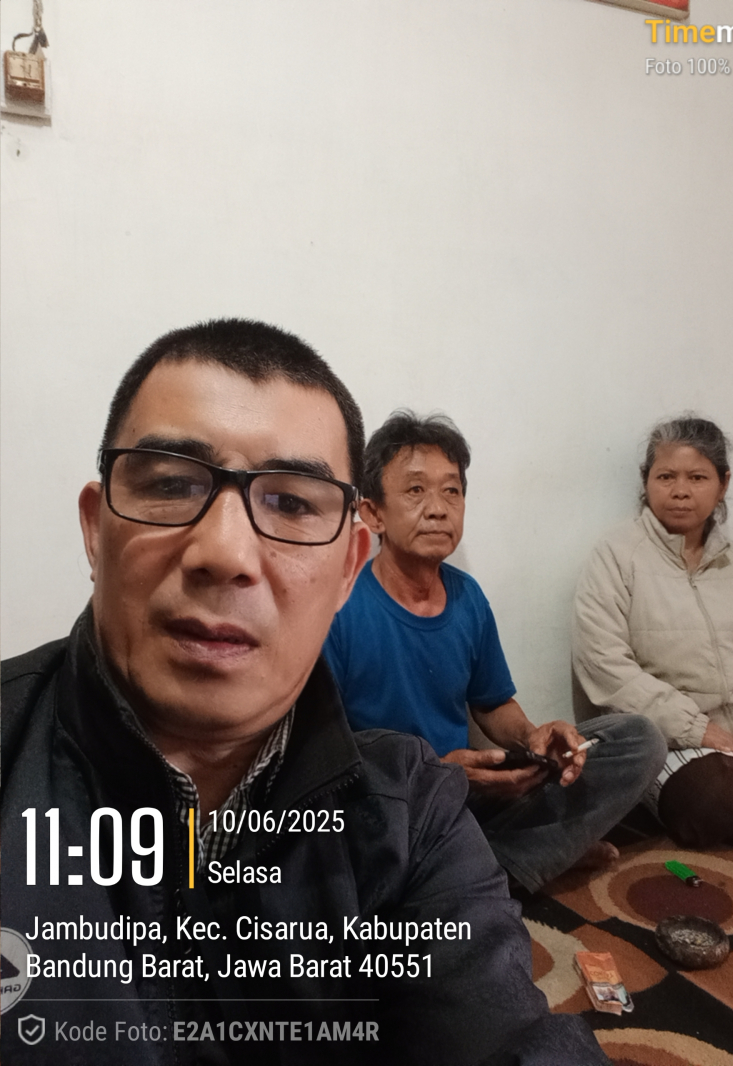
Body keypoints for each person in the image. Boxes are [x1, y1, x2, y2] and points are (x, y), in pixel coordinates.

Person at [1, 319, 611, 1066]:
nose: (225, 552)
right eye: (170, 485)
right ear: (96, 530)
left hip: (445, 800)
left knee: (625, 740)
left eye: (291, 504)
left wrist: (528, 742)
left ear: (348, 564)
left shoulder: (410, 813)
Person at [324, 411, 666, 894]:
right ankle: (503, 866)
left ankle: (483, 870)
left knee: (637, 739)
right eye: (416, 490)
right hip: (389, 802)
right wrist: (434, 775)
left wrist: (533, 736)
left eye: (452, 491)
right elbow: (324, 755)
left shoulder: (467, 597)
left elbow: (492, 703)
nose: (438, 508)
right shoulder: (339, 606)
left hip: (469, 795)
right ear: (373, 513)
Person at [572, 416, 733, 847]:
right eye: (666, 477)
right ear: (647, 481)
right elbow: (605, 668)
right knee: (720, 802)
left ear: (722, 484)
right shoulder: (616, 556)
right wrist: (696, 728)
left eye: (697, 477)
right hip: (670, 733)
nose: (680, 490)